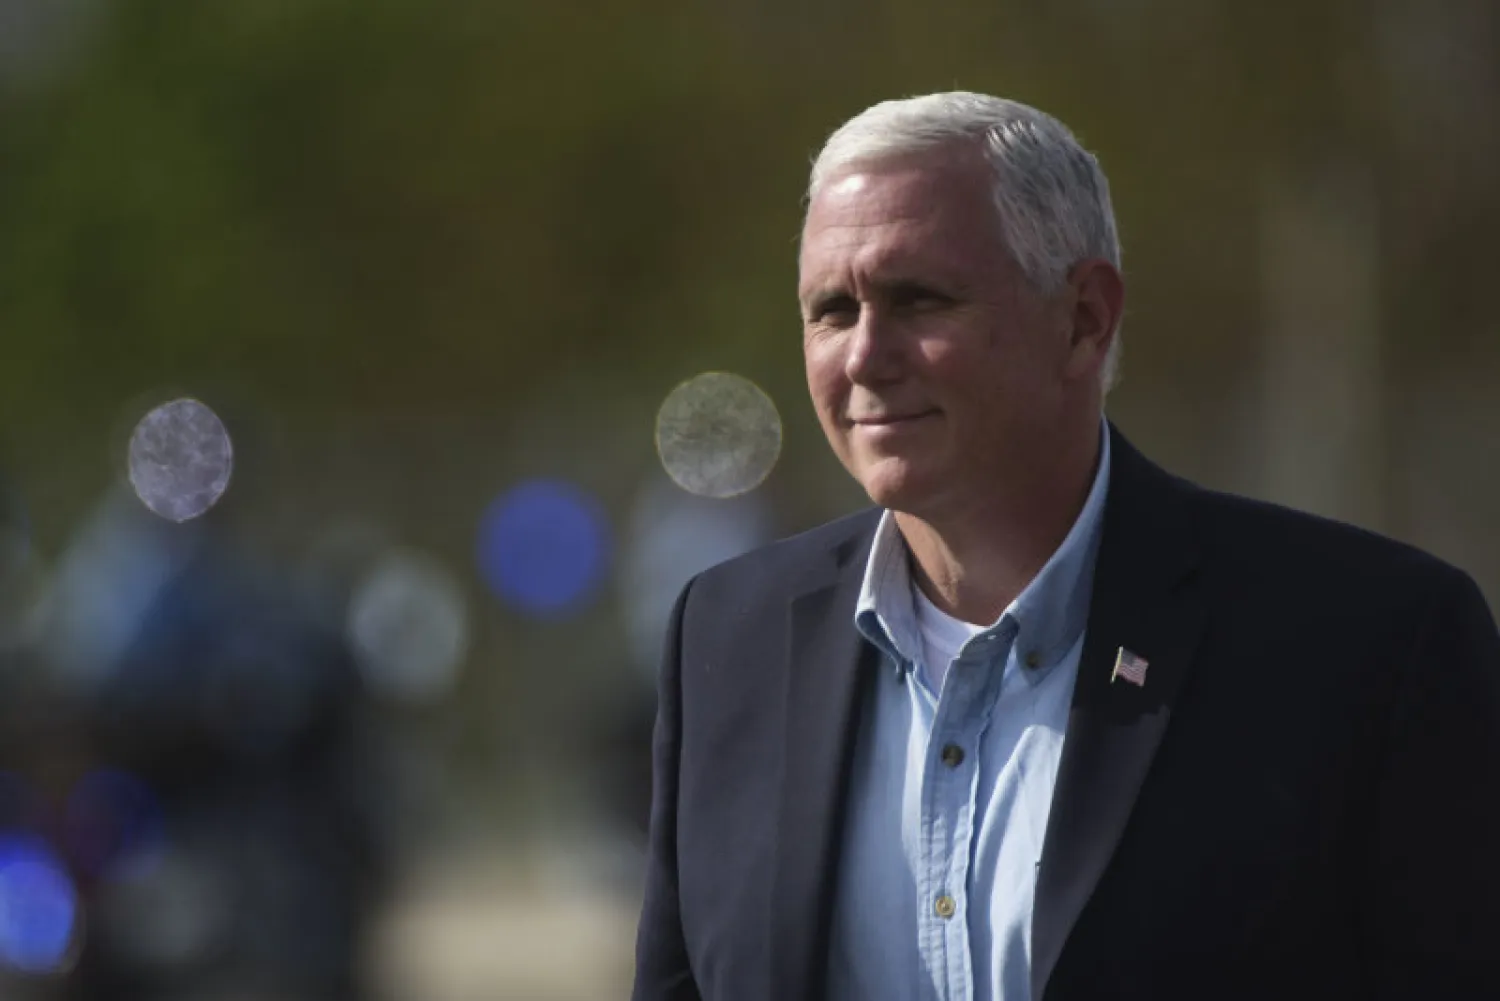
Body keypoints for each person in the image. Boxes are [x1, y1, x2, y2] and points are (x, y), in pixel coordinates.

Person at [630, 92, 1500, 1001]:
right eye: (831, 310)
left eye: (917, 298)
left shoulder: (1368, 645)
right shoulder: (727, 641)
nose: (863, 355)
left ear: (1085, 317)